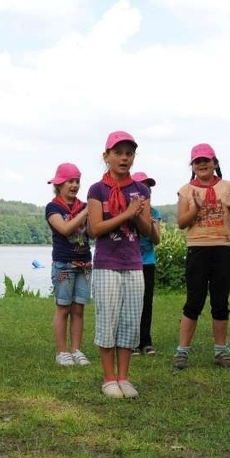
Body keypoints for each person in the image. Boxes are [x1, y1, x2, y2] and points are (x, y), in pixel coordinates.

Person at [87, 131, 153, 398]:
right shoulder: (97, 189)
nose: (124, 158)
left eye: (129, 153)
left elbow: (147, 230)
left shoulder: (141, 190)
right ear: (107, 156)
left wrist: (136, 216)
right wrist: (126, 213)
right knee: (108, 320)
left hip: (134, 264)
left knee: (130, 322)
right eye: (119, 152)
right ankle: (108, 378)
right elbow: (94, 229)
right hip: (106, 263)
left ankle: (124, 377)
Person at [174, 143, 230, 369]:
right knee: (193, 301)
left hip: (223, 248)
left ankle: (221, 351)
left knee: (220, 302)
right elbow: (182, 222)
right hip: (197, 249)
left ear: (215, 163)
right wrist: (195, 208)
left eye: (206, 160)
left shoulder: (228, 186)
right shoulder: (186, 190)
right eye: (197, 161)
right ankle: (182, 351)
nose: (202, 164)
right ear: (192, 166)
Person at [45, 163, 92, 366]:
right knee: (63, 308)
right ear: (59, 184)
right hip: (64, 264)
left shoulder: (83, 206)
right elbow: (64, 229)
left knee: (79, 308)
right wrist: (87, 211)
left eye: (77, 181)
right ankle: (62, 351)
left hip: (84, 263)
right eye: (69, 181)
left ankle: (76, 350)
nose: (74, 185)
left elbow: (91, 231)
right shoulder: (53, 207)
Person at [131, 172, 162, 356]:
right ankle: (132, 342)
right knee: (129, 303)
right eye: (141, 187)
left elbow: (157, 240)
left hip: (148, 262)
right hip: (130, 263)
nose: (145, 191)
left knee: (146, 302)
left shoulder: (155, 213)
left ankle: (146, 341)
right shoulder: (126, 211)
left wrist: (150, 224)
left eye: (148, 188)